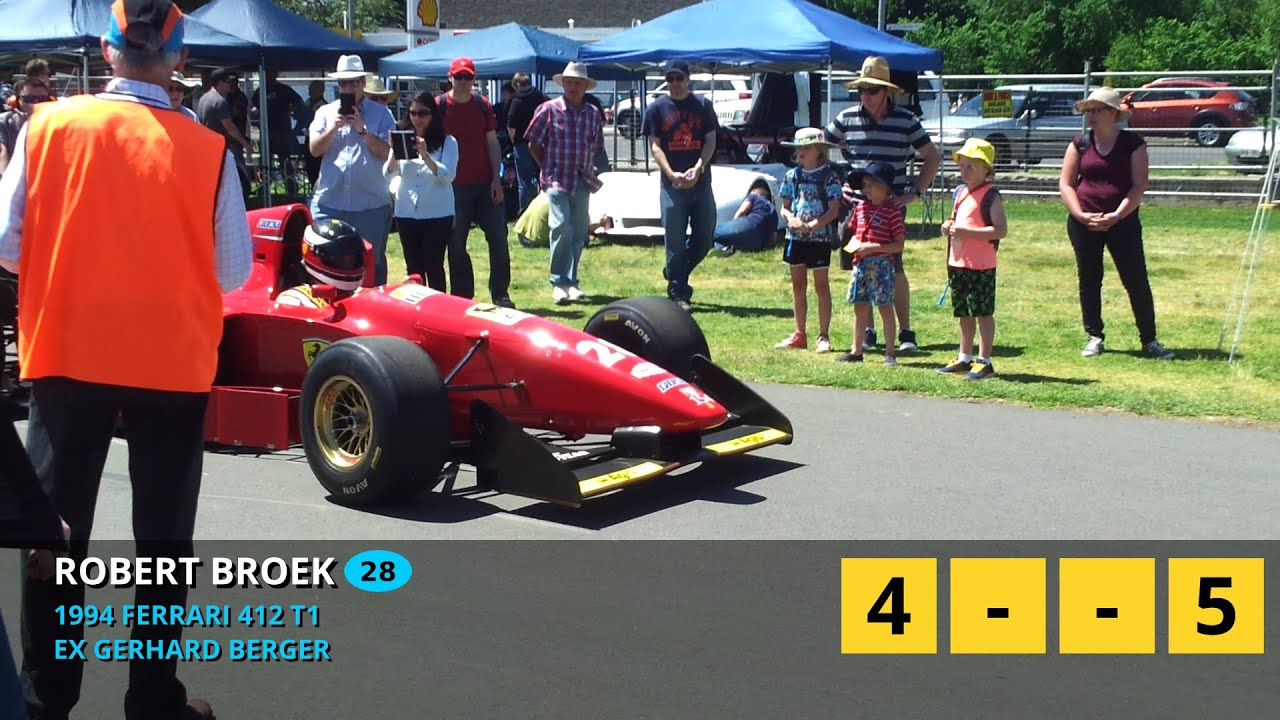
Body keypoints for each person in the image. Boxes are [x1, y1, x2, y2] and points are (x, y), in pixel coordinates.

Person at [0, 2, 253, 718]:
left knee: (55, 537)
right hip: (171, 361)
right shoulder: (207, 148)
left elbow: (7, 245)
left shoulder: (46, 126)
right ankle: (151, 700)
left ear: (107, 51)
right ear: (176, 59)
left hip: (67, 351)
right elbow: (232, 273)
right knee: (164, 541)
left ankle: (46, 702)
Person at [827, 55, 941, 353]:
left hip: (890, 206)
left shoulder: (906, 120)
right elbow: (821, 146)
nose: (866, 95)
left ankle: (904, 331)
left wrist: (915, 192)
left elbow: (932, 156)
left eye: (872, 89)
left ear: (887, 91)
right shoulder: (846, 117)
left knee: (894, 268)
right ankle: (867, 332)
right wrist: (834, 184)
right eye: (861, 89)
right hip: (856, 208)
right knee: (858, 268)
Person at [1059, 87, 1174, 360]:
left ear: (1114, 114)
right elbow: (1066, 184)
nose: (1092, 116)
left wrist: (1117, 215)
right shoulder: (1080, 143)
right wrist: (1081, 215)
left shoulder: (1133, 143)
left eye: (1098, 110)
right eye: (1089, 110)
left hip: (1122, 223)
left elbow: (1138, 186)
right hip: (1084, 223)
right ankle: (1094, 335)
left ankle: (1149, 340)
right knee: (1089, 279)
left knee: (1135, 280)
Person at [308, 54, 397, 285]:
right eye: (343, 83)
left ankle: (376, 313)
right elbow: (315, 150)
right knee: (323, 262)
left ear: (363, 83)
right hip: (330, 202)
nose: (348, 88)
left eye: (353, 82)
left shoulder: (382, 114)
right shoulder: (325, 113)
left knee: (371, 263)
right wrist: (334, 128)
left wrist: (362, 130)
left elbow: (389, 152)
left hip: (371, 205)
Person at [524, 62, 606, 305]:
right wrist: (547, 168)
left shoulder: (592, 113)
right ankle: (558, 282)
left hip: (582, 178)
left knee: (580, 231)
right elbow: (533, 144)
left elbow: (596, 146)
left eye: (578, 82)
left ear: (585, 86)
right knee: (560, 227)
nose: (573, 86)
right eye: (569, 82)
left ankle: (572, 281)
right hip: (557, 178)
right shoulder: (548, 109)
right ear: (563, 84)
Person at [641, 59, 719, 312]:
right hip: (671, 185)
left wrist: (699, 166)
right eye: (671, 79)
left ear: (688, 79)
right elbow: (655, 145)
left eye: (679, 78)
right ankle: (679, 292)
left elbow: (710, 140)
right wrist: (671, 174)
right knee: (674, 239)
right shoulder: (656, 108)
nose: (675, 83)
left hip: (701, 183)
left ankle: (675, 270)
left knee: (704, 238)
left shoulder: (703, 105)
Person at [439, 57, 515, 308]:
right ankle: (462, 295)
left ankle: (501, 293)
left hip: (485, 183)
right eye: (458, 77)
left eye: (467, 77)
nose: (463, 82)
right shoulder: (439, 105)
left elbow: (492, 142)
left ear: (474, 79)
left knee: (499, 240)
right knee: (456, 243)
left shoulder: (482, 105)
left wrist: (496, 178)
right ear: (449, 77)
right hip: (453, 186)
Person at [938, 138, 1007, 380]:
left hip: (981, 264)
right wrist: (949, 226)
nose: (964, 172)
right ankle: (964, 356)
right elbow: (959, 220)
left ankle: (984, 359)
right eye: (962, 166)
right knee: (963, 312)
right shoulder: (960, 192)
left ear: (987, 169)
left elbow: (999, 230)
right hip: (959, 262)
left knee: (983, 312)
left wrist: (967, 233)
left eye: (971, 167)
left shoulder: (991, 196)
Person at [774, 128, 843, 354]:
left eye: (806, 147)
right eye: (799, 148)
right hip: (795, 237)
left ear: (819, 151)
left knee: (821, 286)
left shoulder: (829, 176)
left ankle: (823, 335)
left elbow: (834, 210)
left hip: (819, 238)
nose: (801, 152)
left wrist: (813, 226)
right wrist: (792, 220)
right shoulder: (792, 175)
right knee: (798, 285)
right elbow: (785, 207)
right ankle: (799, 332)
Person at [383, 92, 457, 293]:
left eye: (423, 113)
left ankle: (438, 310)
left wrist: (425, 155)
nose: (417, 118)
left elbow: (448, 175)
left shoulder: (447, 141)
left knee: (434, 266)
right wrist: (394, 150)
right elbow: (389, 174)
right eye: (413, 113)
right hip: (406, 212)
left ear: (432, 114)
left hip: (437, 213)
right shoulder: (403, 136)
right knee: (413, 270)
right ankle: (415, 310)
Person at [838, 161, 906, 365]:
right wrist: (854, 246)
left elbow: (898, 245)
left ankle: (890, 353)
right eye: (864, 184)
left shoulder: (892, 212)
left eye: (870, 184)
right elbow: (853, 229)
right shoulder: (860, 208)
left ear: (885, 188)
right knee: (860, 307)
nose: (865, 188)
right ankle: (856, 351)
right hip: (860, 264)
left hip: (881, 266)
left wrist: (874, 247)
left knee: (885, 307)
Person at [276, 219, 367, 308]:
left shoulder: (362, 295)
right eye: (341, 259)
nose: (348, 264)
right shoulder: (296, 301)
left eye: (352, 259)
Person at [505, 72, 548, 214]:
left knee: (524, 181)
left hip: (521, 144)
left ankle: (525, 212)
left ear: (517, 85)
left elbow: (511, 126)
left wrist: (513, 142)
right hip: (540, 142)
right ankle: (542, 211)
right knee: (542, 178)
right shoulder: (541, 97)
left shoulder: (517, 101)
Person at [713, 178, 778, 255]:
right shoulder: (773, 211)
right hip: (758, 242)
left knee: (713, 232)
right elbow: (773, 239)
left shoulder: (754, 197)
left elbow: (741, 211)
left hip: (750, 224)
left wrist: (734, 225)